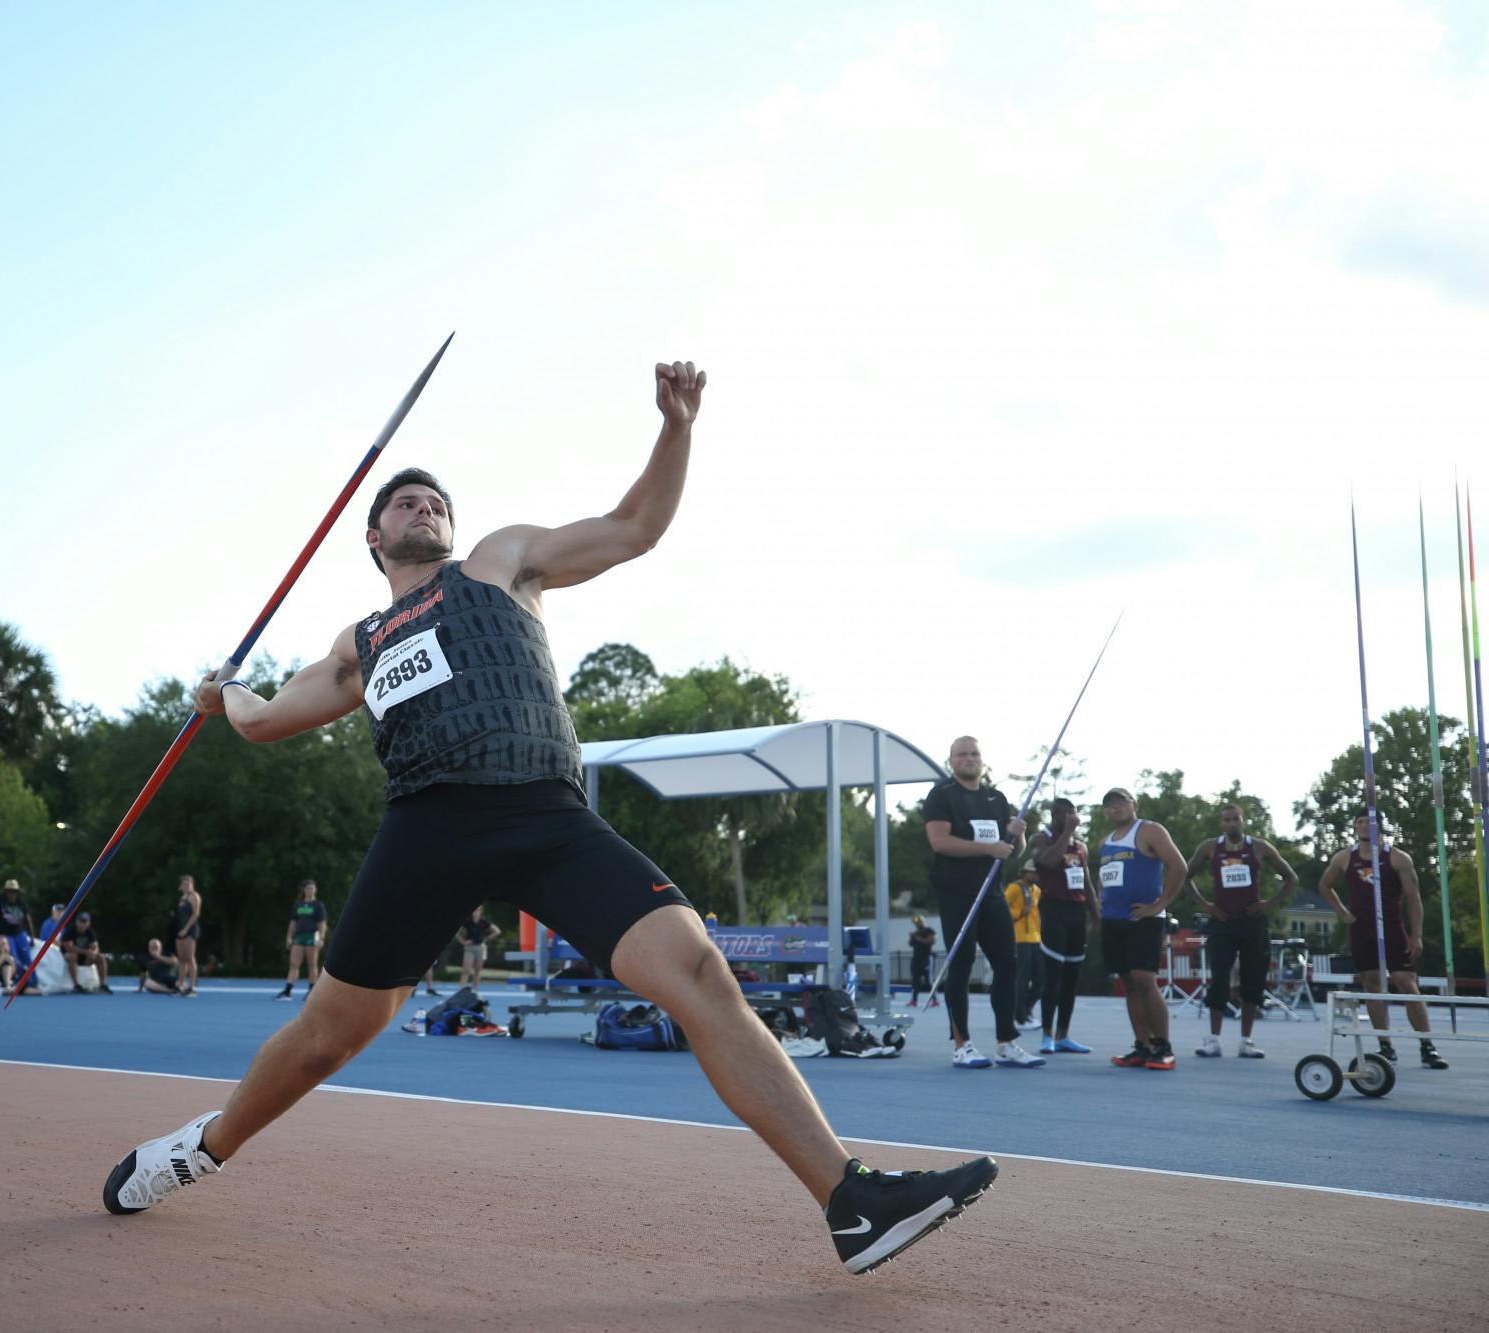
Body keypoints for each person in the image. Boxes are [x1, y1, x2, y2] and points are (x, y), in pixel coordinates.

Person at [98, 361, 997, 1276]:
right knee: (327, 1039)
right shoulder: (360, 643)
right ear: (374, 536)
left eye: (432, 500)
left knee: (696, 967)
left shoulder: (502, 560)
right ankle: (201, 1147)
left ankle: (851, 1202)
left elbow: (634, 527)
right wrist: (224, 694)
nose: (424, 509)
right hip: (428, 829)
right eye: (405, 504)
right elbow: (263, 721)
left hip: (546, 814)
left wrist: (677, 428)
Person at [921, 736, 1040, 1069]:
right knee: (960, 966)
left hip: (992, 893)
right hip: (957, 893)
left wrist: (1019, 833)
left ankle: (1006, 1041)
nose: (969, 759)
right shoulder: (942, 796)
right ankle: (962, 1045)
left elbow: (1014, 850)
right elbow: (940, 842)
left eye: (974, 754)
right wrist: (989, 850)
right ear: (952, 761)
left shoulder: (996, 797)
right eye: (962, 754)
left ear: (982, 760)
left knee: (1008, 963)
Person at [1316, 813, 1448, 1070]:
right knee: (1372, 984)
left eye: (1370, 822)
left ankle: (1427, 1046)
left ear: (1380, 826)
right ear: (1355, 827)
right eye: (1360, 822)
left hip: (1391, 928)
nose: (1365, 826)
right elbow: (1324, 886)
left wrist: (1417, 935)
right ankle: (1385, 1046)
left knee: (1406, 982)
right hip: (1362, 929)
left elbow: (1413, 898)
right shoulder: (1345, 857)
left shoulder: (1397, 858)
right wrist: (1342, 913)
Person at [1181, 803, 1299, 1058]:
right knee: (1220, 978)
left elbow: (1291, 877)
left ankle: (1247, 1040)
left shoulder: (1259, 847)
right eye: (1226, 820)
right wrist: (1206, 906)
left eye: (1236, 819)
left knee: (1252, 980)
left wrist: (1269, 903)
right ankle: (1213, 1039)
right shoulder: (1210, 847)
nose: (1231, 823)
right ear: (1221, 824)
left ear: (1243, 821)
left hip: (1251, 921)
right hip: (1222, 921)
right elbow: (1184, 876)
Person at [1093, 788, 1188, 1070]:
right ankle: (1142, 1045)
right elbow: (1105, 876)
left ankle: (1163, 1046)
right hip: (1114, 920)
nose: (1115, 808)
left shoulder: (1149, 831)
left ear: (1133, 804)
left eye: (1120, 801)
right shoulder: (1105, 842)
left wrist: (1160, 904)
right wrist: (1100, 901)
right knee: (1129, 984)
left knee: (1144, 979)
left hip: (1143, 919)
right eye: (1109, 804)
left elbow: (1179, 867)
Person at [1031, 798, 1098, 1054]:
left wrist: (1096, 915)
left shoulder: (1081, 846)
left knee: (1071, 978)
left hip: (1076, 912)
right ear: (1054, 815)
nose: (1071, 817)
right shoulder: (1041, 839)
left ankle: (1063, 1035)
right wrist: (1067, 831)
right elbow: (1046, 862)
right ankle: (1046, 1034)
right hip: (1053, 909)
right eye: (1066, 813)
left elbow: (1087, 883)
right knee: (1053, 977)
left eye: (1074, 812)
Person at [276, 880, 328, 1001]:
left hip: (312, 936)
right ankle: (287, 991)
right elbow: (293, 922)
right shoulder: (298, 905)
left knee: (312, 965)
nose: (310, 890)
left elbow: (322, 924)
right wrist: (289, 937)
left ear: (315, 890)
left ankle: (312, 991)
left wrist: (321, 938)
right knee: (294, 964)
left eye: (312, 888)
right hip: (299, 937)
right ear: (304, 890)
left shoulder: (318, 905)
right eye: (308, 888)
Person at [1006, 868, 1043, 1030]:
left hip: (1036, 938)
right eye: (1033, 872)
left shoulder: (1037, 890)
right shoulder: (1014, 888)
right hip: (1020, 938)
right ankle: (1020, 1017)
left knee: (1040, 980)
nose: (1036, 875)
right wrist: (1019, 912)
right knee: (1022, 979)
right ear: (1025, 873)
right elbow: (1002, 907)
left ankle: (1024, 1011)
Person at [0, 879, 37, 979]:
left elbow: (28, 920)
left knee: (27, 958)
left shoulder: (21, 903)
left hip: (19, 933)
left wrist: (32, 937)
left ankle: (33, 982)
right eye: (9, 891)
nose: (11, 894)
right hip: (5, 934)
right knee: (13, 957)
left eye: (14, 891)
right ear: (5, 892)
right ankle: (17, 982)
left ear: (17, 892)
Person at [60, 910, 110, 993]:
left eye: (85, 922)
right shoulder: (70, 930)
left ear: (88, 923)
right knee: (72, 956)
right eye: (81, 921)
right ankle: (76, 985)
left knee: (101, 957)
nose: (83, 924)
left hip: (84, 957)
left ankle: (103, 985)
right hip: (70, 956)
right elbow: (68, 947)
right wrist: (86, 952)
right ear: (77, 922)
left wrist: (93, 953)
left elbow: (95, 946)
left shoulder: (90, 932)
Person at [455, 906, 502, 989]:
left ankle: (474, 990)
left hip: (480, 948)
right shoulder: (467, 921)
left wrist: (486, 938)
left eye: (478, 910)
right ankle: (461, 990)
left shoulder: (483, 922)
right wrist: (462, 941)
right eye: (474, 909)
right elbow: (456, 932)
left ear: (481, 911)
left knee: (477, 971)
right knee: (466, 970)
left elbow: (497, 931)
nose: (476, 911)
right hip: (469, 948)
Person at [171, 877, 202, 998]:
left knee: (189, 957)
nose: (187, 886)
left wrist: (186, 929)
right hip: (180, 930)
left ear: (192, 885)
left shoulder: (194, 896)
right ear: (181, 886)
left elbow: (195, 914)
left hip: (190, 930)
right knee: (181, 959)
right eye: (184, 884)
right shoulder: (182, 898)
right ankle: (181, 985)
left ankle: (192, 987)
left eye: (188, 884)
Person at [906, 916, 937, 1008]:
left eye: (918, 922)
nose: (917, 924)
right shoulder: (916, 933)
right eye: (915, 922)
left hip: (927, 958)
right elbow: (911, 944)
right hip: (916, 959)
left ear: (922, 921)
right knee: (915, 980)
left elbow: (932, 941)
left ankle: (935, 1000)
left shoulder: (929, 930)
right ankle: (914, 1000)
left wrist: (918, 938)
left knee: (929, 980)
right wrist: (912, 938)